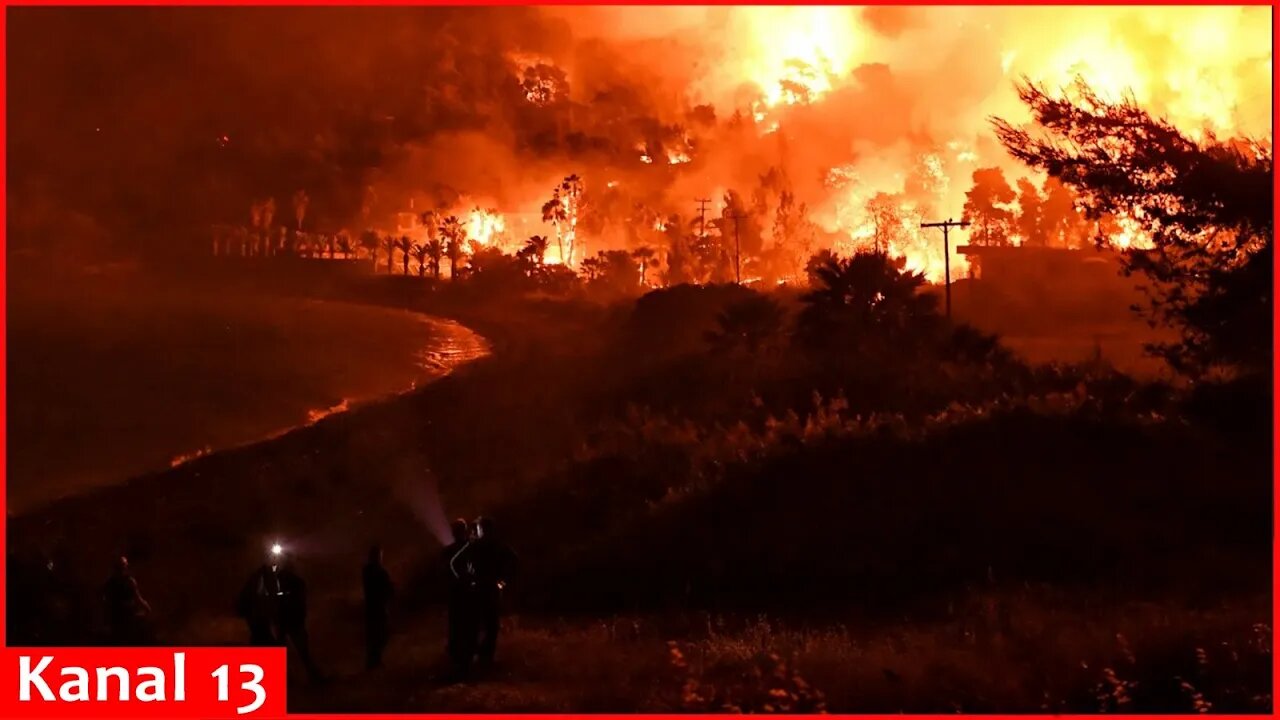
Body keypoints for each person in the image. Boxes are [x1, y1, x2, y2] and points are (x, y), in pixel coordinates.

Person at [470, 516, 517, 667]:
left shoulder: (477, 546)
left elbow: (512, 561)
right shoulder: (496, 545)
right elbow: (513, 560)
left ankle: (479, 654)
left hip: (481, 588)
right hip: (488, 588)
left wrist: (502, 580)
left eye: (478, 528)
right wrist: (503, 580)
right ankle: (485, 654)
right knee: (490, 623)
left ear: (482, 529)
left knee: (480, 622)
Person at [276, 555, 324, 684]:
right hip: (291, 620)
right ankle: (311, 676)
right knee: (301, 650)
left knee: (286, 651)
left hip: (286, 619)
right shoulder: (294, 581)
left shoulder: (280, 580)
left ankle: (292, 677)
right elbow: (300, 602)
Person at [442, 518, 477, 680]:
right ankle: (464, 663)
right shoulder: (470, 548)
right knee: (466, 627)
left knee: (458, 627)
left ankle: (460, 663)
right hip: (465, 594)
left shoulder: (449, 551)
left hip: (458, 595)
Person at [102, 555, 152, 646]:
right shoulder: (114, 582)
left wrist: (146, 607)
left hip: (123, 617)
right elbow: (106, 602)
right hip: (121, 617)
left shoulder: (125, 581)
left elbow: (137, 597)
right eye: (123, 566)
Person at [236, 556, 282, 646]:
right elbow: (263, 593)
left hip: (256, 611)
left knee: (259, 635)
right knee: (260, 635)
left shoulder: (259, 576)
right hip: (256, 611)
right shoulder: (261, 577)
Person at [362, 544, 394, 670]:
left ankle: (373, 661)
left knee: (375, 635)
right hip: (378, 607)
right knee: (380, 634)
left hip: (372, 607)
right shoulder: (379, 571)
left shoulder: (367, 570)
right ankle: (374, 661)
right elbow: (387, 588)